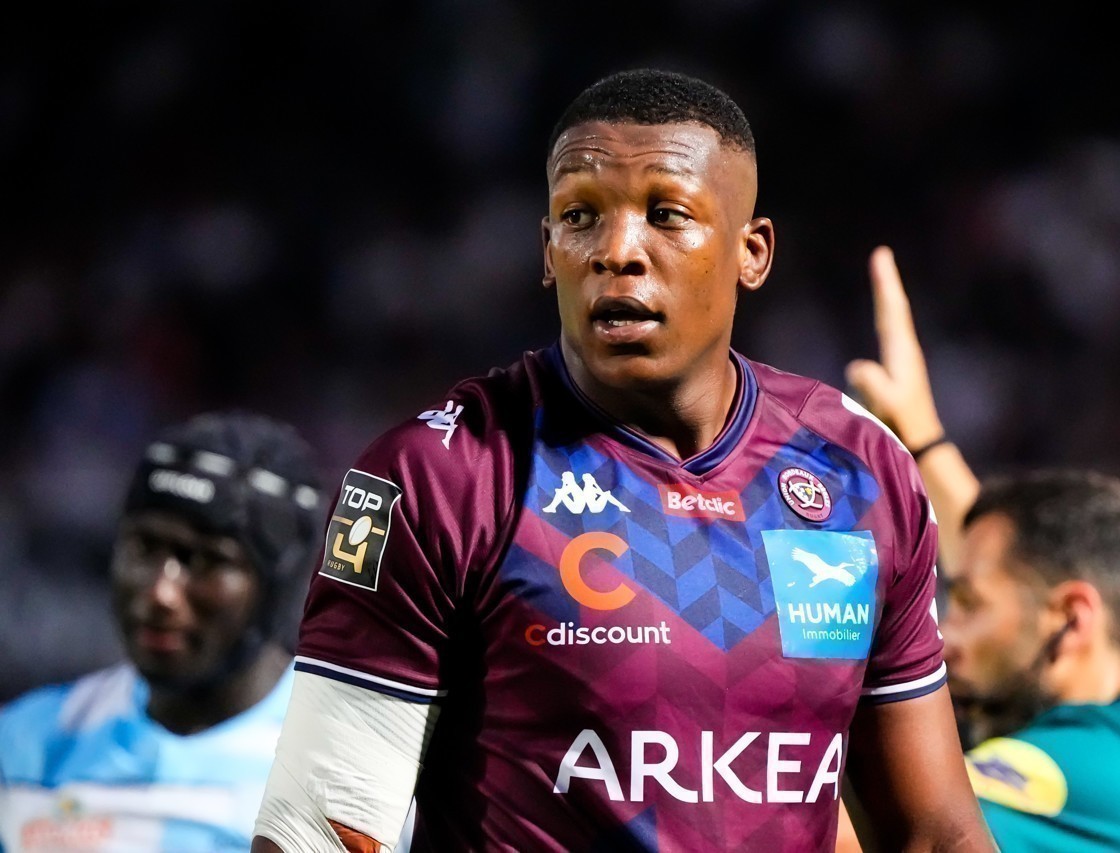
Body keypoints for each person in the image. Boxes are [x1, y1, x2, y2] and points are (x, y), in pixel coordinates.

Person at [251, 70, 990, 852]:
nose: (616, 252)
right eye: (580, 216)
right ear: (548, 252)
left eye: (667, 214)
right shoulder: (442, 473)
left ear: (752, 252)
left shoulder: (858, 469)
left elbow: (935, 832)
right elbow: (313, 830)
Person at [846, 246, 1120, 849]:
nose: (944, 636)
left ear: (1073, 618)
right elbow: (1020, 567)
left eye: (968, 603)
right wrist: (923, 443)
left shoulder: (1086, 765)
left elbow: (907, 830)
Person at [0, 412, 324, 852]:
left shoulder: (341, 772)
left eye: (207, 560)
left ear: (279, 584)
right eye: (144, 547)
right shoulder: (27, 747)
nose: (161, 593)